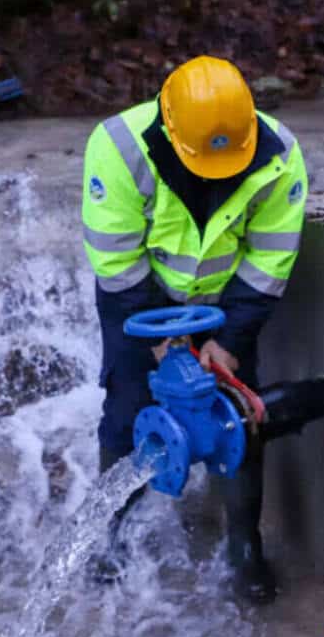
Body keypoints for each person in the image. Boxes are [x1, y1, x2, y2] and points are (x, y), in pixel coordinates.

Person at [81, 55, 307, 604]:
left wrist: (228, 346)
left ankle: (244, 546)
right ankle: (105, 537)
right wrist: (163, 345)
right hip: (139, 303)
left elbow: (270, 259)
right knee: (128, 411)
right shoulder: (118, 148)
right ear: (169, 126)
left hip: (224, 306)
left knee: (238, 420)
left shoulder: (278, 155)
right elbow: (117, 262)